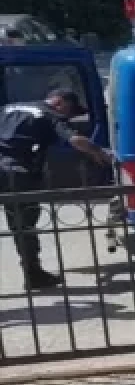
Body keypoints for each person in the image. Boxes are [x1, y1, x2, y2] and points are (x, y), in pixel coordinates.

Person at [0, 89, 111, 288]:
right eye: (70, 111)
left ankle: (33, 273)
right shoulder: (49, 114)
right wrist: (99, 152)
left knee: (18, 225)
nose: (69, 116)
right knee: (23, 226)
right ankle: (33, 274)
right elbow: (75, 140)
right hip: (18, 173)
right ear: (60, 102)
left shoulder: (8, 109)